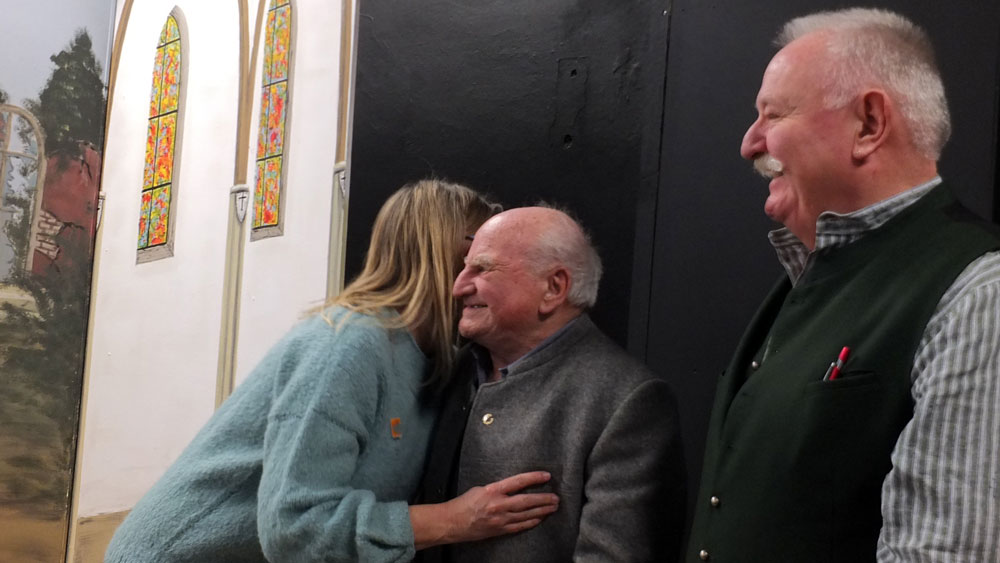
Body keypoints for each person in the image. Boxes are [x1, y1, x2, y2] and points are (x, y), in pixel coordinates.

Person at [104, 180, 560, 563]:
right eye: (476, 252)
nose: (483, 270)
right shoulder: (350, 343)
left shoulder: (434, 362)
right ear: (437, 251)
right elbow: (294, 526)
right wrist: (453, 520)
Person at [686, 8, 1000, 562]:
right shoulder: (810, 274)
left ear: (869, 125)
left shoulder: (979, 290)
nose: (750, 143)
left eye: (772, 114)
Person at [419, 206, 686, 562]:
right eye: (465, 267)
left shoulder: (627, 401)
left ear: (553, 287)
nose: (458, 286)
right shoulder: (452, 372)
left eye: (482, 269)